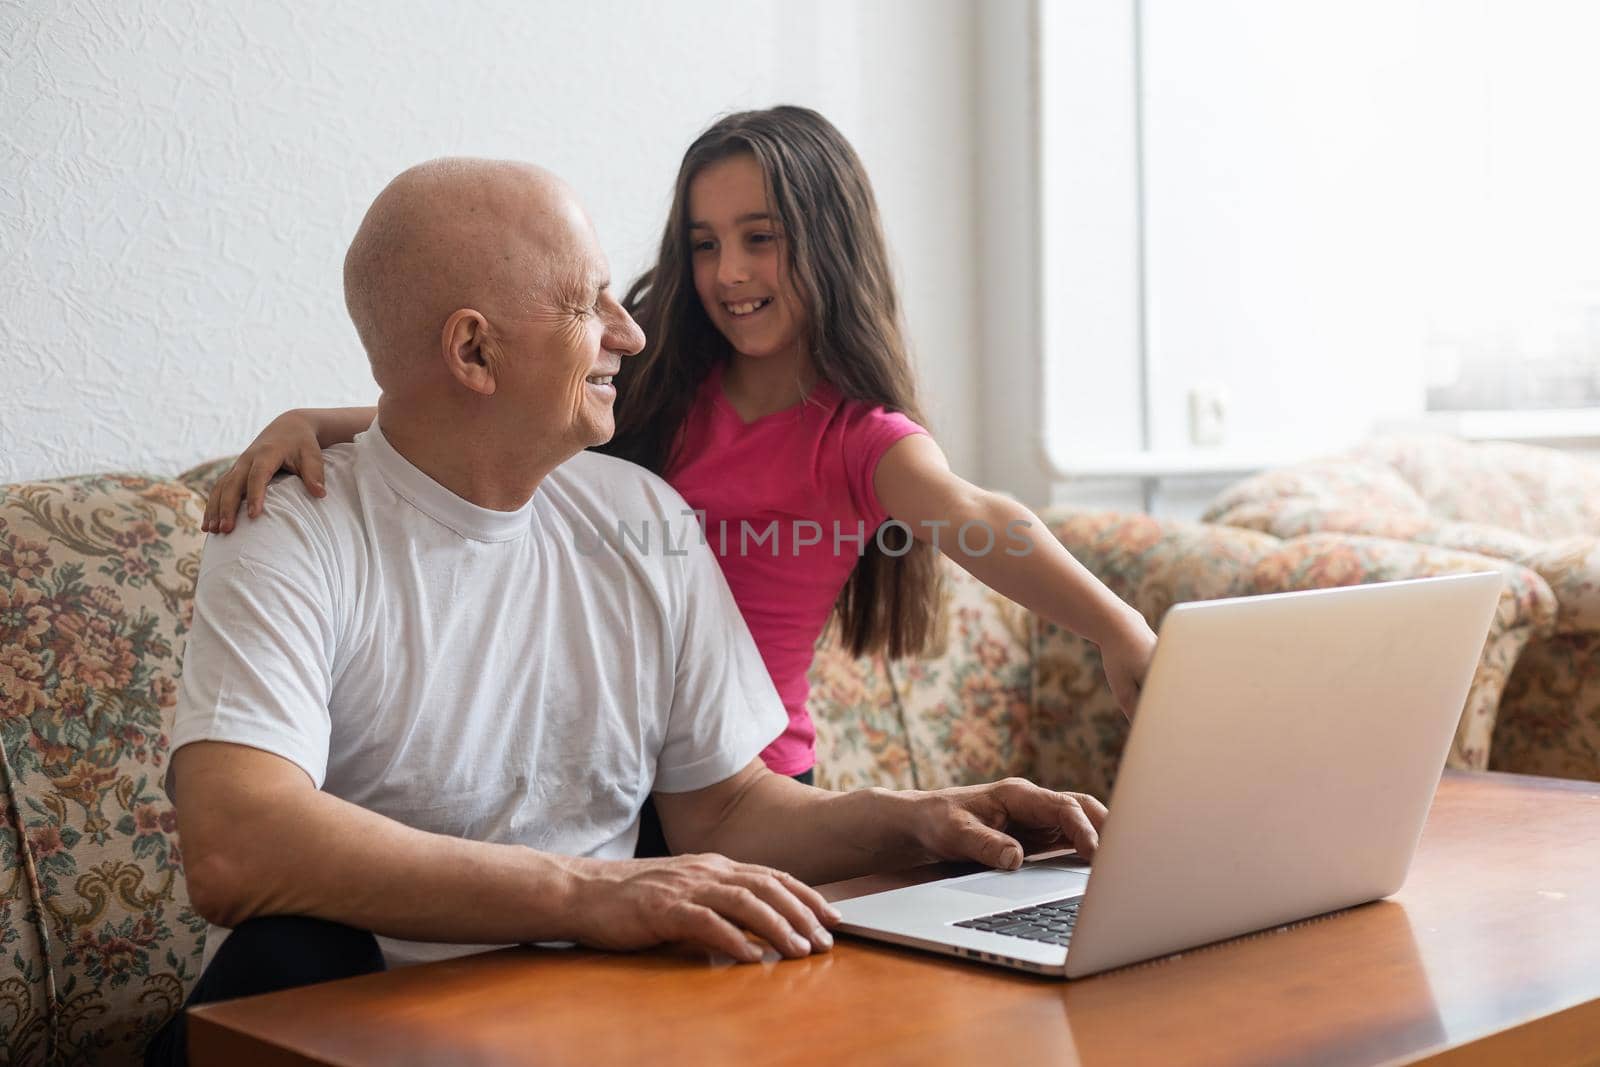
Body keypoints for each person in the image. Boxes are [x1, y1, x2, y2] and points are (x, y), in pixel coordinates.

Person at [146, 157, 1108, 1066]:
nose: (630, 330)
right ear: (475, 350)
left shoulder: (642, 513)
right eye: (585, 303)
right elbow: (238, 845)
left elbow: (725, 807)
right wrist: (588, 890)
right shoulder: (291, 527)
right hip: (358, 1016)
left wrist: (924, 822)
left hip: (597, 1006)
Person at [201, 106, 1157, 791]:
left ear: (828, 245)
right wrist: (318, 425)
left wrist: (1121, 630)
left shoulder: (859, 443)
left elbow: (987, 522)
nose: (728, 273)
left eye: (760, 238)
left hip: (748, 780)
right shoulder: (656, 377)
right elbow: (480, 408)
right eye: (703, 244)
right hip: (613, 762)